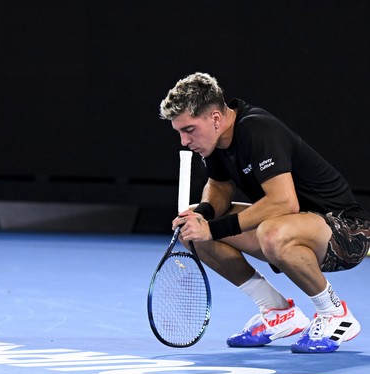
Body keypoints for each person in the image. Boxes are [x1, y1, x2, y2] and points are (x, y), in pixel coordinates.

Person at [159, 72, 370, 353]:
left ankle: (335, 314)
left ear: (215, 119)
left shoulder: (258, 129)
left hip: (346, 231)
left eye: (189, 130)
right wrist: (205, 215)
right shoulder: (213, 142)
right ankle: (277, 311)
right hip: (294, 226)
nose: (185, 141)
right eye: (180, 132)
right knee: (194, 231)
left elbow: (284, 203)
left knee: (270, 232)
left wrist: (214, 228)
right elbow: (219, 187)